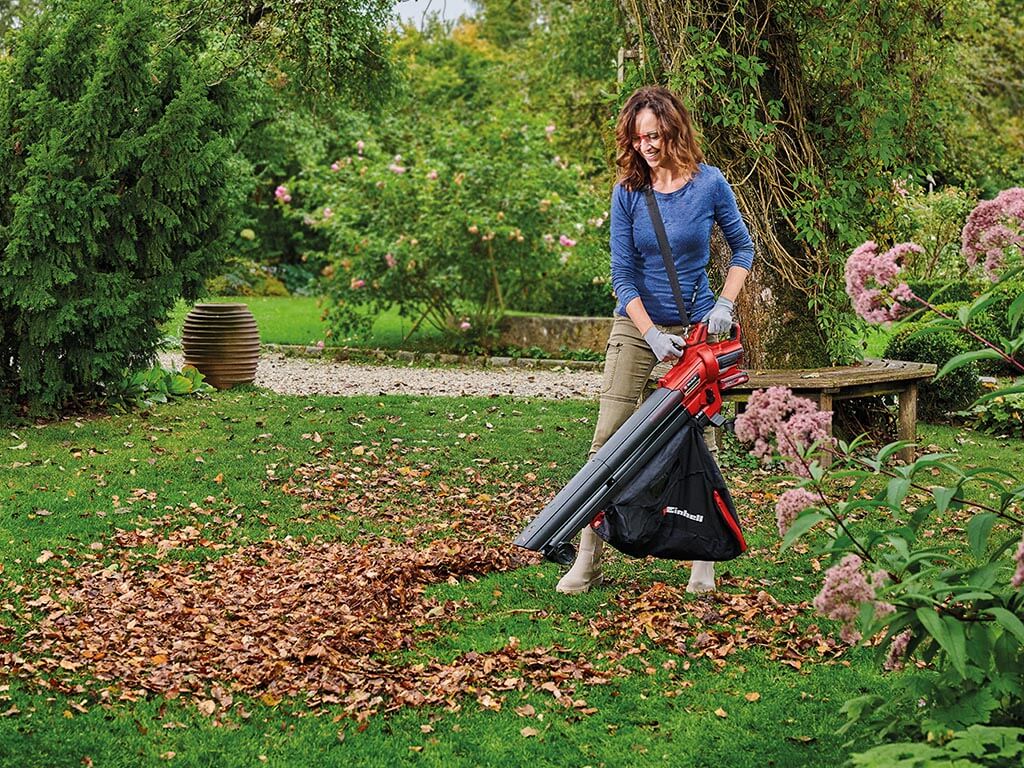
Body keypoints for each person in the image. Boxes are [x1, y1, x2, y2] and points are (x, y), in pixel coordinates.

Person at [556, 85, 754, 595]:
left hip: (694, 332)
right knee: (607, 441)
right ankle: (587, 559)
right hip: (637, 328)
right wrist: (648, 333)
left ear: (675, 131)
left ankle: (702, 561)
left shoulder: (709, 184)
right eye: (641, 136)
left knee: (700, 444)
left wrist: (724, 306)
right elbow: (622, 276)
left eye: (657, 135)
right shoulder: (627, 192)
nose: (649, 145)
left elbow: (743, 249)